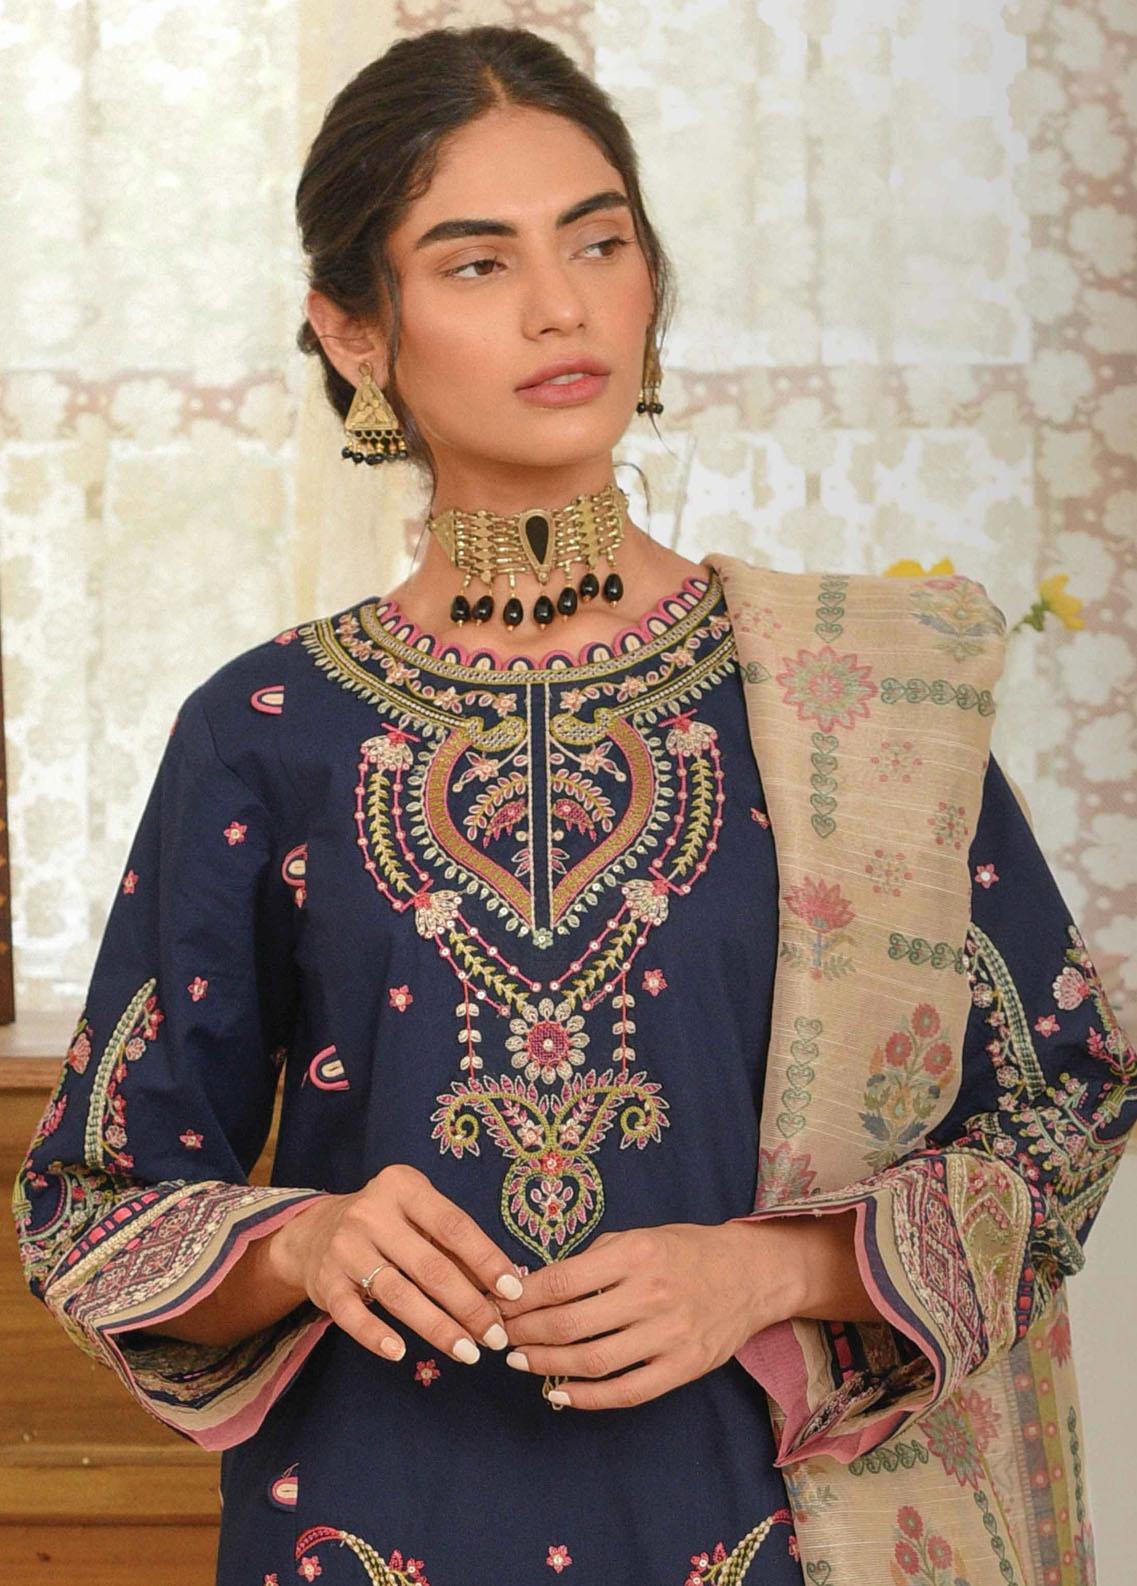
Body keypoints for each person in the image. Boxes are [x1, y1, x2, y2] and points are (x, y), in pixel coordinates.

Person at [11, 25, 1134, 1586]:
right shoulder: (266, 727)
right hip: (370, 1517)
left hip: (771, 1518)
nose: (560, 306)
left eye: (597, 242)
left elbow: (1061, 1104)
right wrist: (301, 1238)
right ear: (353, 328)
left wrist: (769, 1270)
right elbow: (94, 1202)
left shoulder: (854, 694)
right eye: (476, 264)